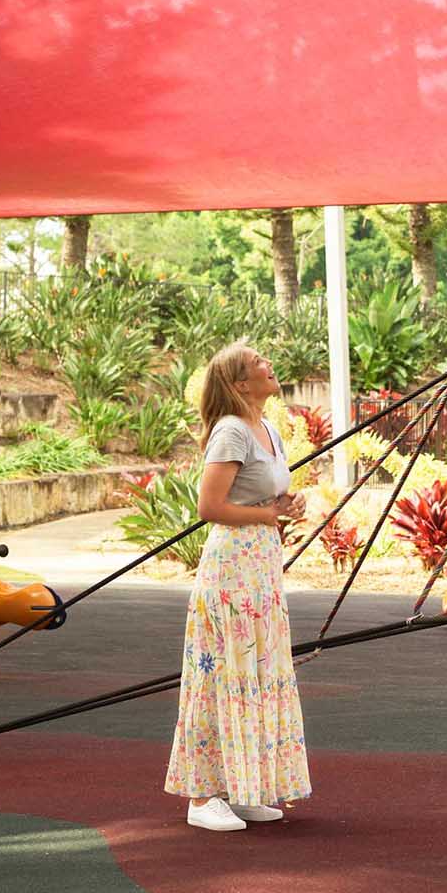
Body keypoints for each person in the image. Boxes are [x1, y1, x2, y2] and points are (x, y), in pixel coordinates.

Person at [164, 341, 311, 832]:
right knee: (224, 672)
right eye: (257, 364)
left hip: (262, 568)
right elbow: (210, 507)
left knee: (258, 669)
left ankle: (243, 787)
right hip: (231, 570)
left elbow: (259, 491)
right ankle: (202, 796)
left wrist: (286, 503)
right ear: (240, 383)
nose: (269, 365)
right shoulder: (230, 432)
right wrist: (266, 514)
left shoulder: (266, 428)